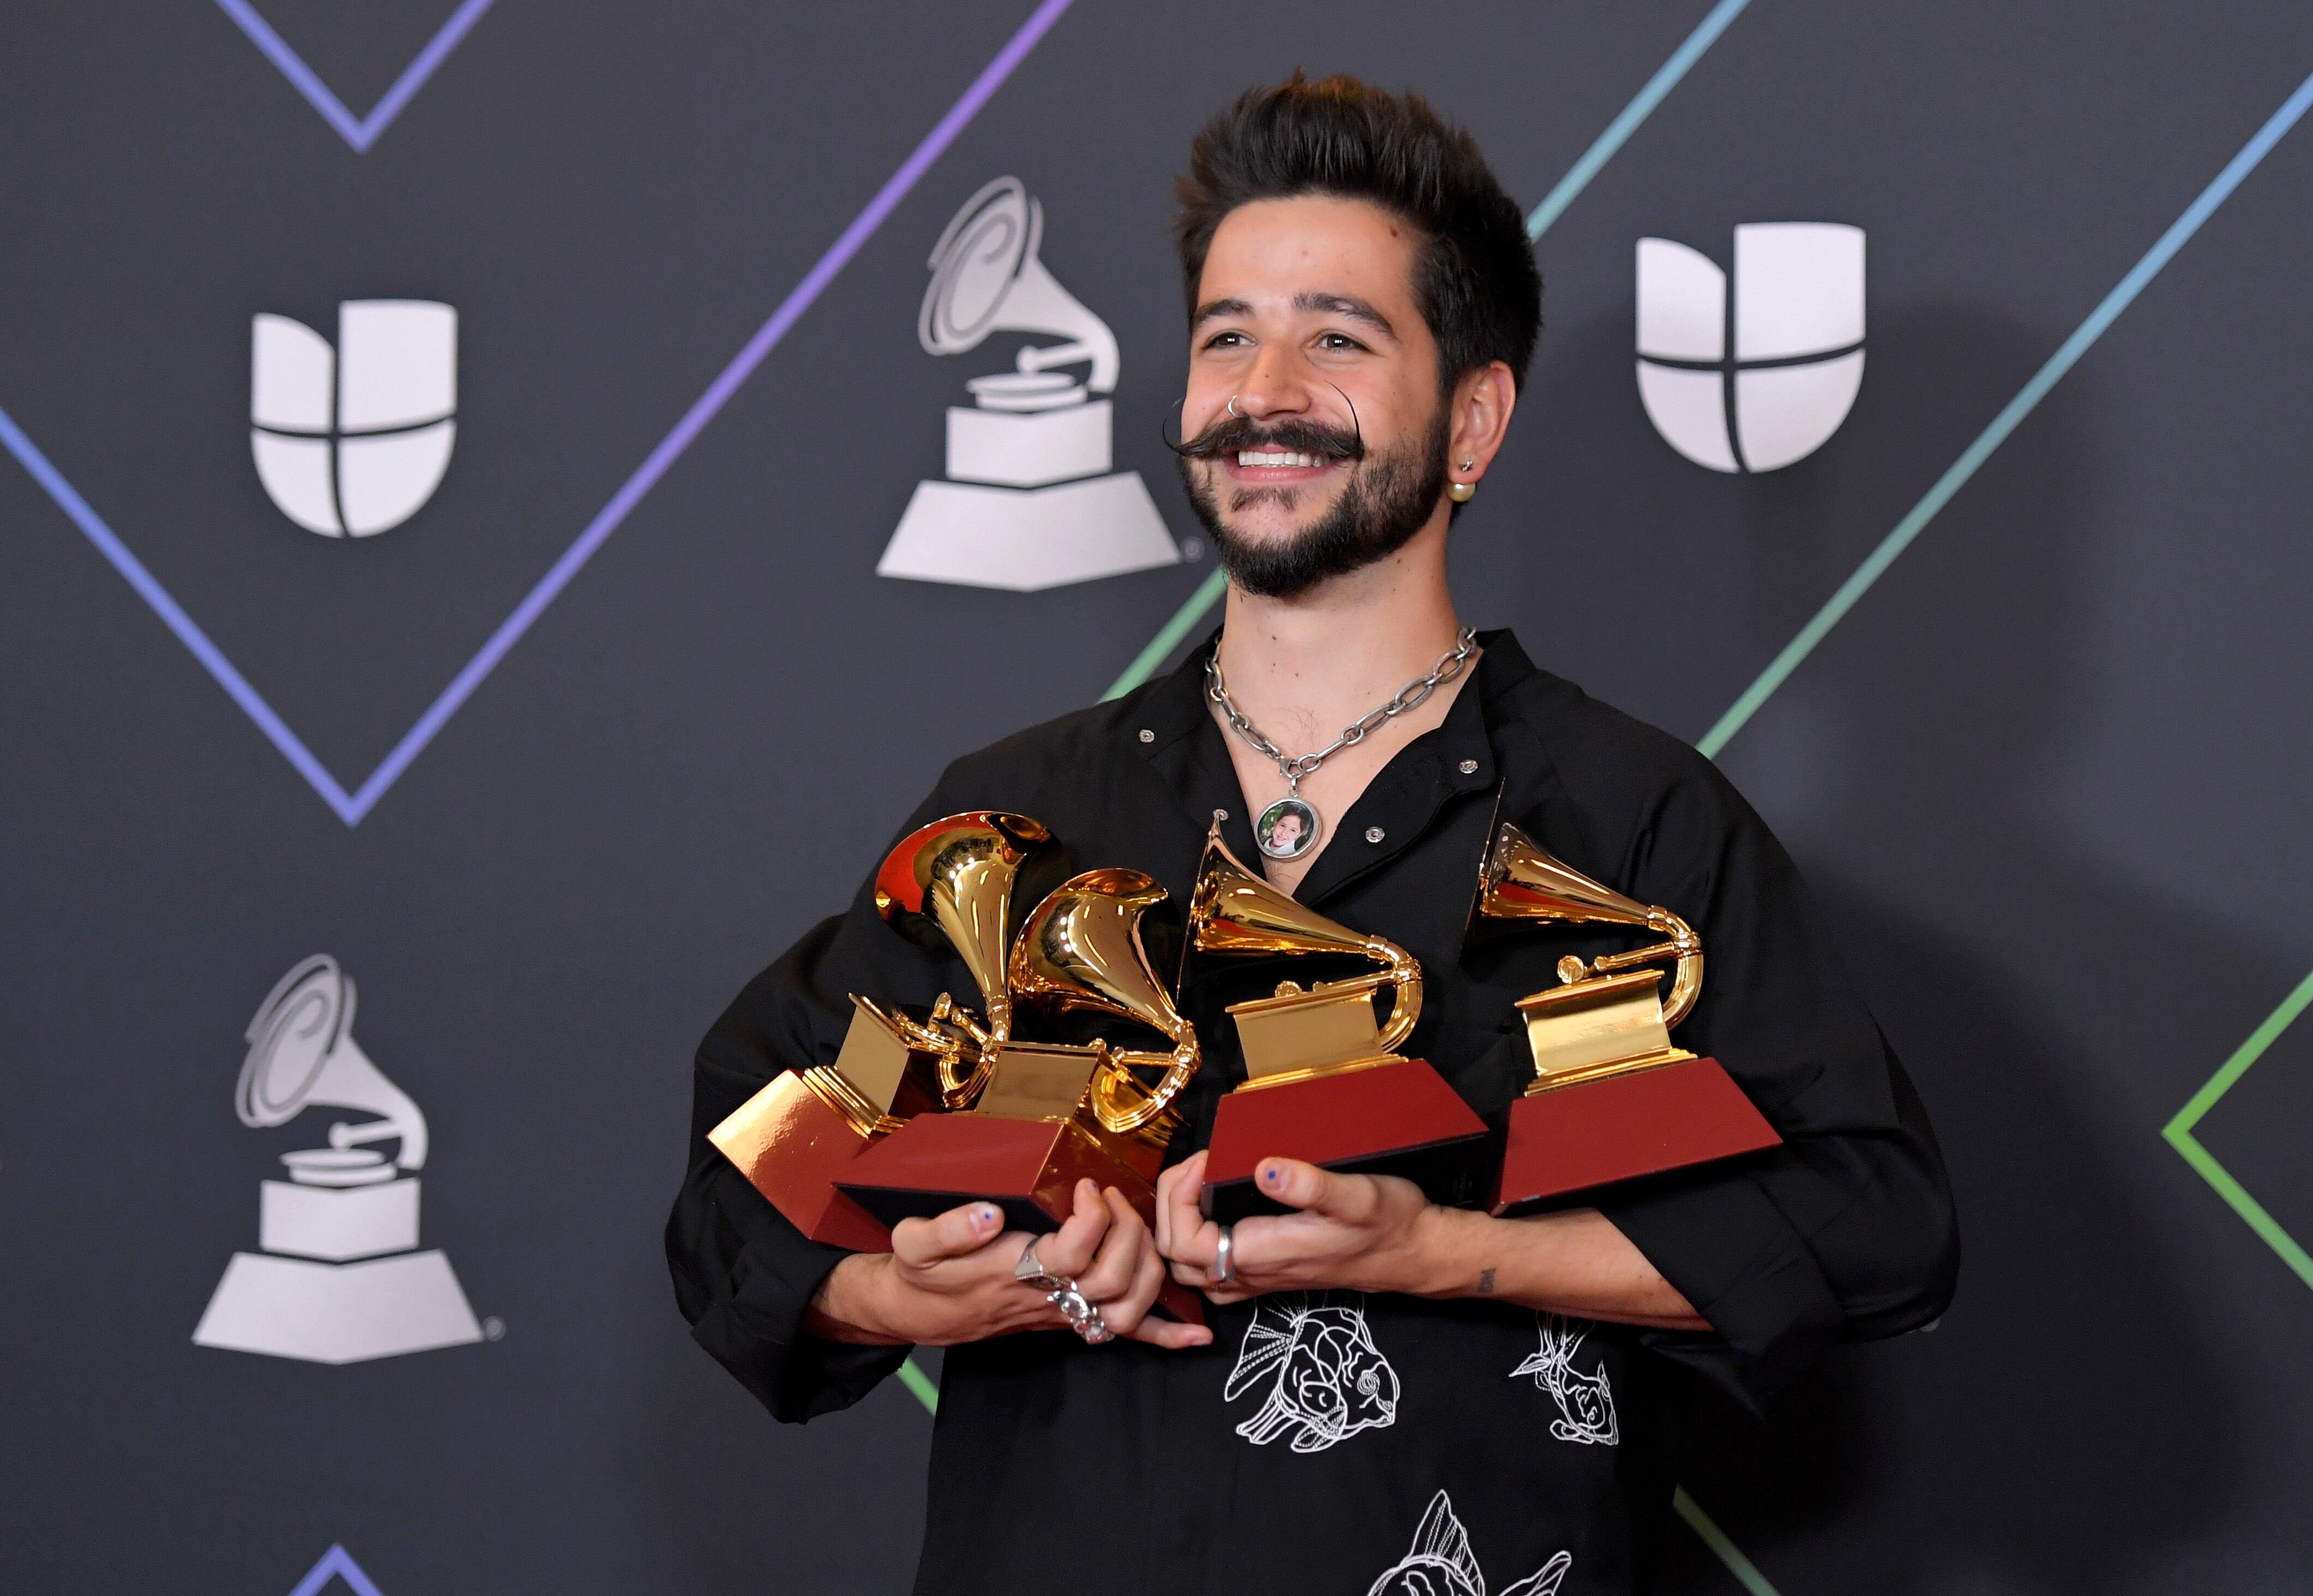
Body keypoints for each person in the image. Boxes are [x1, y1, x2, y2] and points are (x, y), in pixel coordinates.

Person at [667, 72, 1957, 1595]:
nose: (1263, 387)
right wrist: (909, 1293)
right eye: (1228, 335)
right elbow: (749, 1182)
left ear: (1471, 416)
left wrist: (1438, 1250)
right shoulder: (1015, 829)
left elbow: (1867, 1222)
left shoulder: (1628, 826)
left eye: (1337, 335)